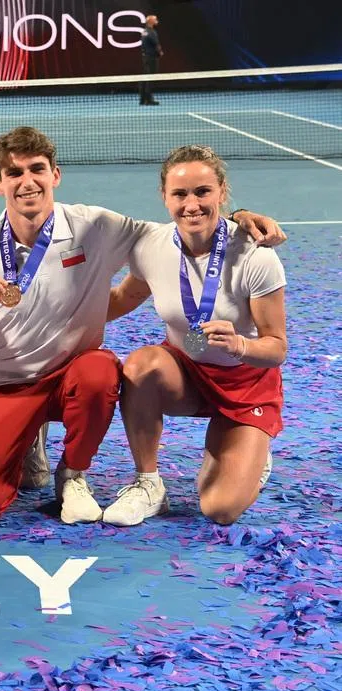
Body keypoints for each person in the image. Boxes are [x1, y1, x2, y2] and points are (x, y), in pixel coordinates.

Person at [0, 127, 284, 526]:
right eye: (15, 173)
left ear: (56, 175)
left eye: (38, 169)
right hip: (12, 381)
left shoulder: (95, 226)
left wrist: (239, 216)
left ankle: (73, 474)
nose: (28, 182)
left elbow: (192, 228)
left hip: (95, 376)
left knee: (106, 374)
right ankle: (35, 440)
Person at [102, 145, 286, 527]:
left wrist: (241, 345)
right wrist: (50, 310)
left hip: (245, 384)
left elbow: (277, 348)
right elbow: (122, 298)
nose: (191, 204)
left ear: (221, 191)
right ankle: (149, 484)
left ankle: (252, 450)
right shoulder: (152, 246)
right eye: (180, 194)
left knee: (218, 508)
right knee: (141, 365)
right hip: (185, 373)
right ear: (164, 197)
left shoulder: (256, 257)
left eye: (202, 192)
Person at [139, 14, 162, 106]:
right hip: (151, 58)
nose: (157, 20)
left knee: (145, 78)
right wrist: (160, 52)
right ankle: (148, 99)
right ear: (150, 21)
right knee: (150, 79)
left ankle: (143, 99)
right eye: (155, 19)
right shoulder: (152, 32)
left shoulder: (144, 31)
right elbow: (156, 44)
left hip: (145, 58)